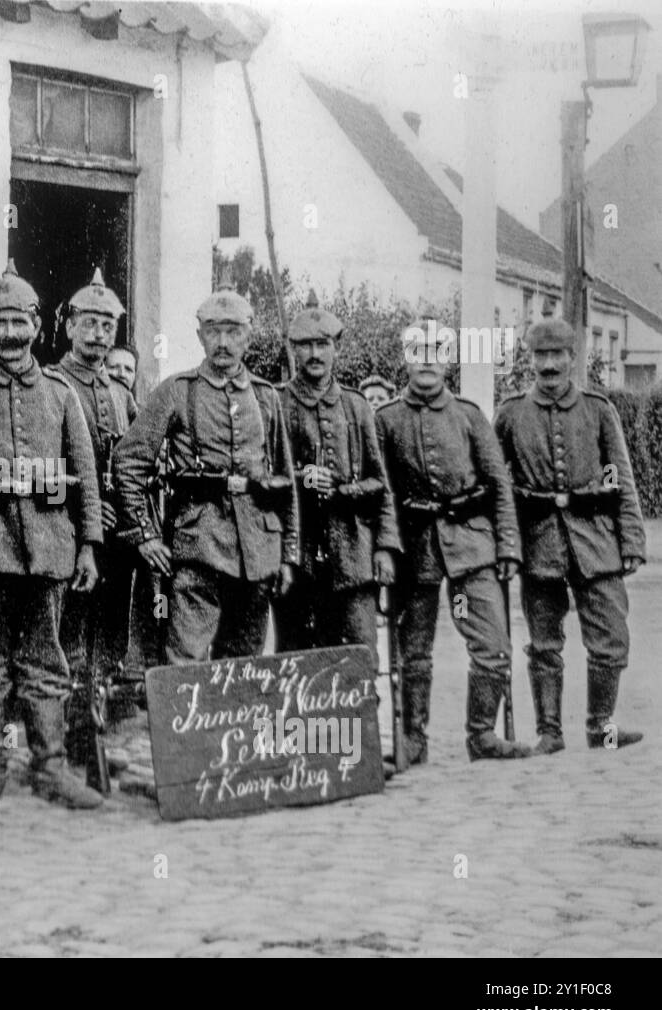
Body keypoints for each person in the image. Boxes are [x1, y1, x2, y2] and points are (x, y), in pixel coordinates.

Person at [0, 260, 105, 810]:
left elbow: (85, 475)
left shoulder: (62, 394)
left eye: (20, 322)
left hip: (51, 552)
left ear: (38, 324)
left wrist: (88, 545)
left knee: (46, 660)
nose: (11, 334)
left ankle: (52, 767)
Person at [114, 288, 299, 663]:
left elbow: (285, 480)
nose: (223, 342)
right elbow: (128, 463)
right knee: (185, 661)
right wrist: (146, 535)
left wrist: (289, 553)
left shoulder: (265, 397)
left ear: (249, 336)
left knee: (244, 664)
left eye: (233, 332)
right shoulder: (177, 392)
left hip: (258, 550)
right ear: (200, 336)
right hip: (198, 546)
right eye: (213, 332)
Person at [375, 320, 531, 764]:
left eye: (436, 350)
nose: (426, 359)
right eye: (418, 350)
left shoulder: (469, 415)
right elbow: (380, 489)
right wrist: (385, 547)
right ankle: (413, 739)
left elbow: (499, 484)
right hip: (415, 549)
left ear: (448, 359)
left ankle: (481, 735)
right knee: (414, 652)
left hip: (471, 547)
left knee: (493, 644)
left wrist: (507, 548)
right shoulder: (385, 419)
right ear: (405, 358)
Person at [494, 318, 647, 752]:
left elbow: (620, 477)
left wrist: (631, 540)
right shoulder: (510, 414)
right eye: (540, 356)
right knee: (543, 641)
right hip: (538, 540)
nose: (548, 365)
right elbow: (494, 484)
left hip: (596, 541)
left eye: (557, 355)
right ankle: (549, 732)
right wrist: (504, 544)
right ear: (530, 360)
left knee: (611, 638)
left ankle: (601, 726)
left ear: (572, 358)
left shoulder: (599, 410)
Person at [274, 305, 400, 657]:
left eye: (323, 344)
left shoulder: (357, 406)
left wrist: (386, 547)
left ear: (336, 348)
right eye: (306, 345)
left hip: (353, 560)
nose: (315, 354)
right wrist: (300, 478)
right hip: (298, 561)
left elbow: (380, 483)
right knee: (297, 664)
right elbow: (264, 476)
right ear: (293, 348)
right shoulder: (275, 403)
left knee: (359, 661)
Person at [53, 270, 139, 771]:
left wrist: (123, 513)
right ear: (68, 326)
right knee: (71, 637)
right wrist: (85, 511)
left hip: (116, 541)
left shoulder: (121, 393)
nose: (98, 334)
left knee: (108, 639)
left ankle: (96, 733)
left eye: (107, 325)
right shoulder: (52, 383)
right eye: (88, 323)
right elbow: (49, 465)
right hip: (72, 536)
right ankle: (70, 737)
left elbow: (133, 462)